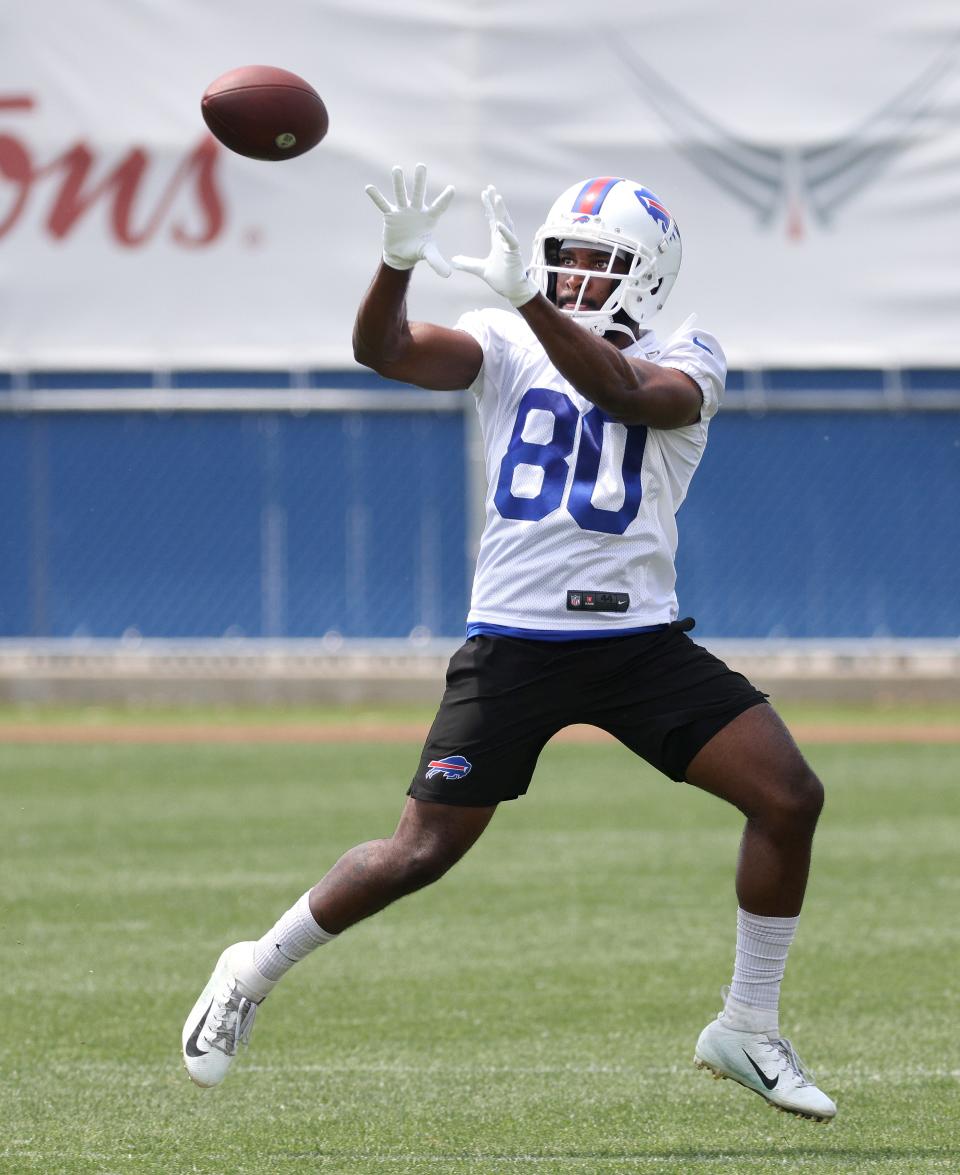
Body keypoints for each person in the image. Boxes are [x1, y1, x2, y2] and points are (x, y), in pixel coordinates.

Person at [181, 163, 836, 1122]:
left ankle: (746, 1023)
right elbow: (386, 351)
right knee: (420, 851)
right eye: (561, 261)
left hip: (637, 642)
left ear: (646, 274)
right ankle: (252, 966)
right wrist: (396, 264)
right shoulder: (505, 338)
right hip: (518, 645)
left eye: (593, 262)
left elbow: (625, 393)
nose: (570, 277)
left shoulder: (689, 350)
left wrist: (531, 300)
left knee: (789, 795)